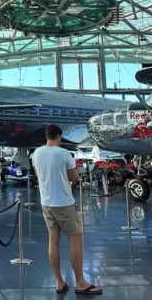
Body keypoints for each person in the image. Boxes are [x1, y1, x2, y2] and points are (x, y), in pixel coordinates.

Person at [31, 124, 101, 295]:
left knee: (53, 241)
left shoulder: (36, 153)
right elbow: (74, 177)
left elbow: (38, 175)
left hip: (46, 202)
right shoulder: (64, 153)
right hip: (63, 202)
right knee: (75, 240)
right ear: (59, 137)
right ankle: (80, 282)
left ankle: (59, 282)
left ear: (46, 136)